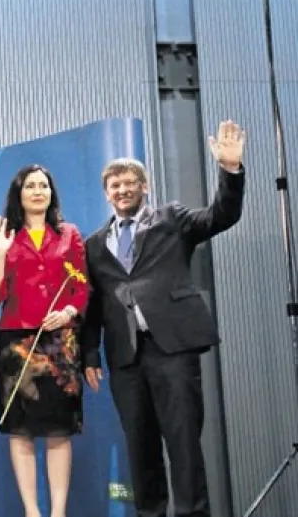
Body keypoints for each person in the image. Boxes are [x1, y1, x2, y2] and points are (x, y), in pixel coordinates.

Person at [81, 120, 246, 517]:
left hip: (172, 348)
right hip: (125, 358)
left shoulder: (172, 219)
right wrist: (89, 355)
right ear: (107, 194)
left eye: (129, 183)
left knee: (184, 443)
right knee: (140, 446)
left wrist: (230, 171)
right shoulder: (93, 243)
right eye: (115, 185)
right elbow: (94, 304)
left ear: (145, 187)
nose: (122, 190)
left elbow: (221, 215)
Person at [0, 165, 89, 517]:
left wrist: (69, 312)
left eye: (44, 185)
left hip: (60, 341)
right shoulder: (5, 236)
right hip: (16, 342)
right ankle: (32, 511)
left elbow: (82, 287)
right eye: (30, 186)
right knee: (21, 429)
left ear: (51, 193)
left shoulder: (69, 233)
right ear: (19, 194)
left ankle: (58, 511)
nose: (38, 191)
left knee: (59, 428)